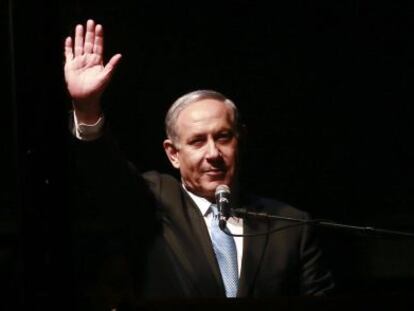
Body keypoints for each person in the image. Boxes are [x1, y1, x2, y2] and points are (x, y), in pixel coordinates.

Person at [65, 19, 334, 310]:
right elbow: (107, 174)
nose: (213, 153)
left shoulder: (290, 226)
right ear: (173, 154)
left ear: (240, 140)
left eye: (223, 137)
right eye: (197, 141)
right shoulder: (153, 201)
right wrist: (87, 107)